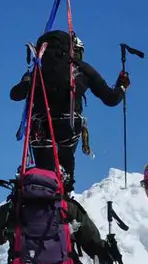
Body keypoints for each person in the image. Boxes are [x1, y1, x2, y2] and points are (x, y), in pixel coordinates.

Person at [9, 31, 130, 188]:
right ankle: (64, 197)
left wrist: (28, 80)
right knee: (64, 182)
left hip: (40, 129)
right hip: (68, 127)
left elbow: (15, 94)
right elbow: (111, 99)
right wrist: (121, 86)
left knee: (43, 179)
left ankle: (38, 203)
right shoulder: (82, 69)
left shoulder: (37, 71)